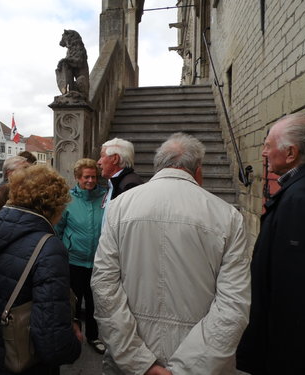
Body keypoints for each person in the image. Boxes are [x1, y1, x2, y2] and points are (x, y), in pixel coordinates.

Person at [91, 132, 250, 375]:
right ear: (198, 170)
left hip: (129, 362)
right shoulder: (227, 216)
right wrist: (188, 369)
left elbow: (104, 286)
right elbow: (233, 304)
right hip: (201, 361)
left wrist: (139, 361)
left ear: (158, 167)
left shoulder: (119, 207)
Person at [0, 164, 82, 375]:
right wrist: (74, 345)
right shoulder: (48, 247)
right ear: (56, 203)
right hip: (23, 362)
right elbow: (52, 341)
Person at [236, 113, 305, 375]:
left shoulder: (301, 199)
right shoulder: (302, 190)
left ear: (291, 152)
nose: (263, 152)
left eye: (268, 145)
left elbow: (296, 292)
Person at [55, 158, 107, 355]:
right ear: (77, 178)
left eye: (94, 176)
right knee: (73, 302)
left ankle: (93, 337)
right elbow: (58, 229)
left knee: (95, 303)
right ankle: (72, 336)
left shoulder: (104, 197)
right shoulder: (67, 199)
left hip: (98, 262)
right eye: (86, 177)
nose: (91, 180)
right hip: (73, 260)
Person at [97, 138, 143, 221]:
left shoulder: (130, 185)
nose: (99, 162)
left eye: (102, 156)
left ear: (115, 159)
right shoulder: (116, 182)